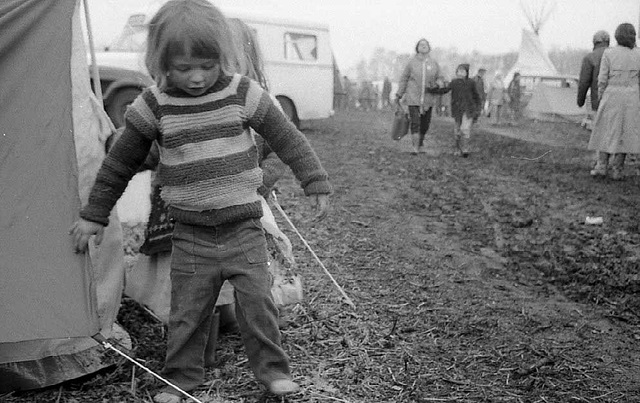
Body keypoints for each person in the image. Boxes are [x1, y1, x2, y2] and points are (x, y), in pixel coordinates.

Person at [68, 1, 332, 402]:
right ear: (161, 61)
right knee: (188, 312)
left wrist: (314, 180)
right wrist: (94, 215)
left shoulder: (243, 92)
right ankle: (181, 378)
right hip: (190, 234)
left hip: (243, 228)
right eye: (183, 67)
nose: (196, 77)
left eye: (207, 65)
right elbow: (119, 164)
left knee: (258, 303)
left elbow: (286, 137)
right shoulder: (153, 105)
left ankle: (274, 371)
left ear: (221, 57)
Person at [588, 23, 640, 180]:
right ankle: (618, 169)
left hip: (612, 95)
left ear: (617, 36)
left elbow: (602, 79)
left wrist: (602, 96)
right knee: (625, 133)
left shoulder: (609, 54)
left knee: (605, 131)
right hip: (632, 96)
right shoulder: (638, 54)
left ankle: (601, 166)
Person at [395, 38, 442, 154]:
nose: (423, 46)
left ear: (429, 48)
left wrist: (438, 84)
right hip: (413, 97)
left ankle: (420, 144)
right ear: (417, 48)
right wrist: (399, 94)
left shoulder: (434, 63)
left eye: (425, 44)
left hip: (428, 99)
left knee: (425, 124)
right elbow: (404, 79)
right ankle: (415, 147)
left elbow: (440, 77)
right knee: (415, 123)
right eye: (421, 44)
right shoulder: (411, 63)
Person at [433, 64, 481, 157]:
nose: (460, 73)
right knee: (457, 130)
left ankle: (465, 148)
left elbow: (476, 96)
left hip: (468, 109)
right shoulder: (454, 82)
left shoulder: (471, 82)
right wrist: (433, 90)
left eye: (463, 71)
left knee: (465, 129)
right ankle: (457, 148)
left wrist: (478, 108)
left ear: (467, 72)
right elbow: (445, 90)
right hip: (457, 109)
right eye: (459, 71)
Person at [577, 30, 610, 114]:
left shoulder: (589, 58)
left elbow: (584, 82)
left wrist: (580, 101)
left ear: (595, 42)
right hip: (615, 103)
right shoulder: (615, 55)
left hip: (598, 103)